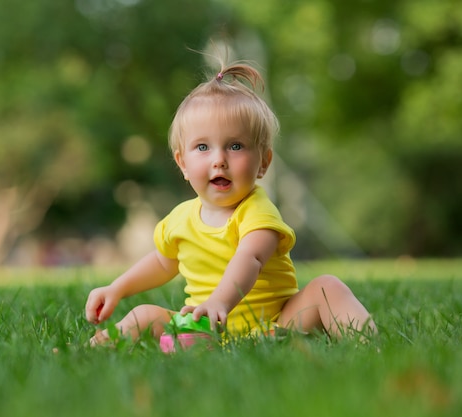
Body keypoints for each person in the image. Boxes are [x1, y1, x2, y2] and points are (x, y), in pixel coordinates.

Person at [85, 58, 377, 345]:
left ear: (263, 162)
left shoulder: (258, 211)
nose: (219, 160)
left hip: (274, 324)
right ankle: (91, 349)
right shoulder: (179, 218)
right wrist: (117, 288)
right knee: (144, 315)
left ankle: (369, 345)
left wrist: (219, 302)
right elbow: (163, 263)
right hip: (206, 327)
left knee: (327, 287)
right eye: (202, 147)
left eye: (235, 146)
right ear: (182, 163)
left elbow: (250, 258)